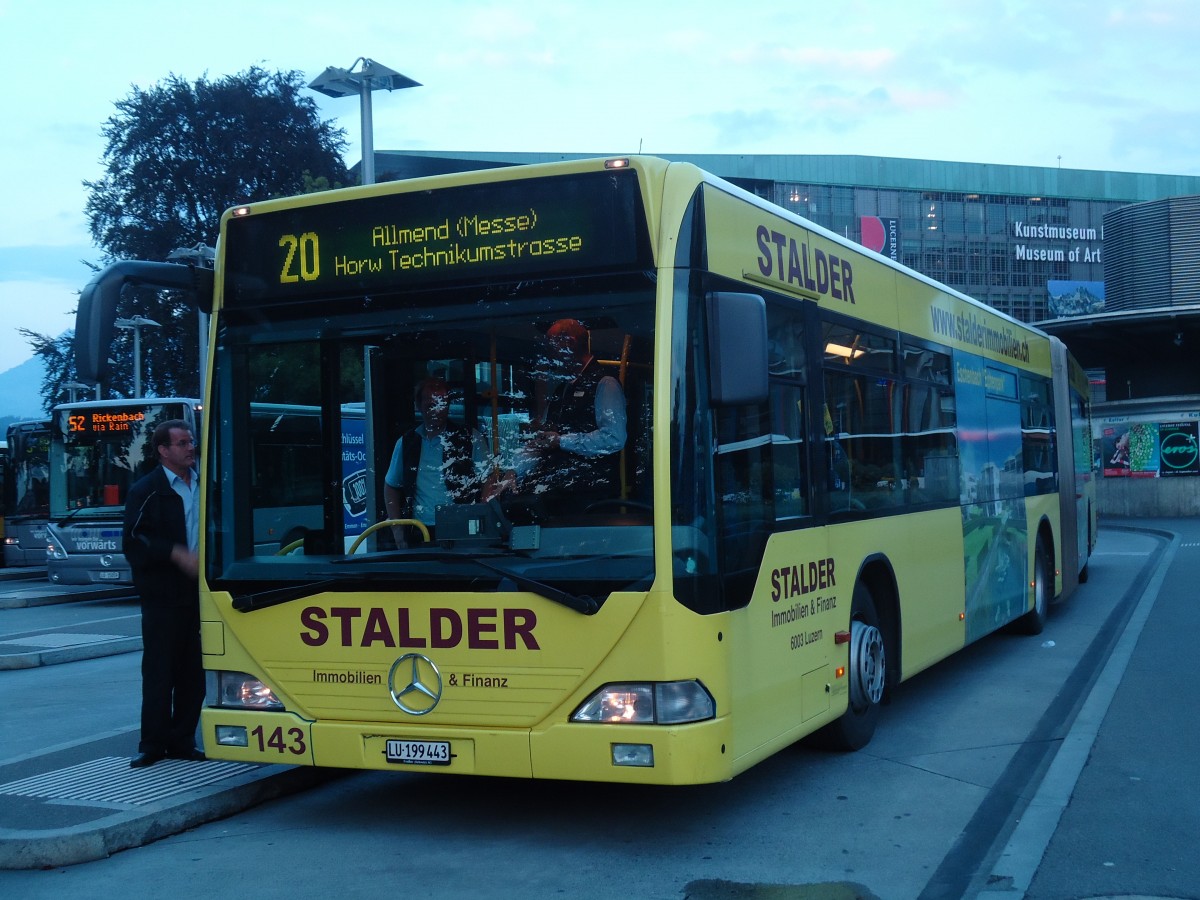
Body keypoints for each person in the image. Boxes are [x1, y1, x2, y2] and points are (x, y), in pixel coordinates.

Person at [122, 419, 205, 768]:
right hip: (162, 596)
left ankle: (182, 740)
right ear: (163, 450)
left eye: (191, 441)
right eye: (182, 443)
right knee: (159, 671)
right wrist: (174, 553)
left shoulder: (205, 483)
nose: (191, 448)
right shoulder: (147, 490)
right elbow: (133, 540)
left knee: (194, 672)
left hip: (201, 592)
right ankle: (152, 744)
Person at [522, 318, 627, 504]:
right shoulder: (563, 388)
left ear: (569, 344)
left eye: (551, 346)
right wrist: (514, 471)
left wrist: (562, 441)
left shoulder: (605, 383)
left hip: (591, 495)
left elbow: (614, 438)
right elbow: (547, 439)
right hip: (558, 491)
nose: (548, 354)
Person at [384, 377, 490, 545]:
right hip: (419, 530)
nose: (437, 411)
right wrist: (397, 530)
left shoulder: (471, 438)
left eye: (442, 404)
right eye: (431, 405)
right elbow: (391, 486)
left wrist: (482, 516)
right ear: (419, 406)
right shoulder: (406, 443)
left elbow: (489, 479)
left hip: (462, 527)